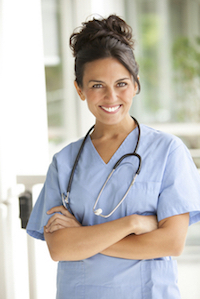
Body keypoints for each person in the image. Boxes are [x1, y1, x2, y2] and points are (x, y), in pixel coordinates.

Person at [27, 15, 200, 299]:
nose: (110, 97)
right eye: (97, 85)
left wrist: (83, 237)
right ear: (79, 89)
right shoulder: (64, 162)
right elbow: (59, 248)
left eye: (121, 84)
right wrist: (132, 224)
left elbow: (171, 242)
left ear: (135, 84)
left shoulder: (168, 151)